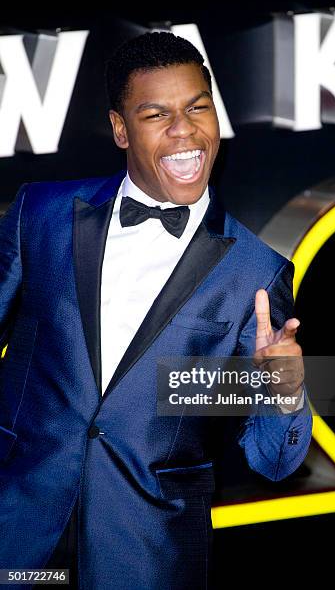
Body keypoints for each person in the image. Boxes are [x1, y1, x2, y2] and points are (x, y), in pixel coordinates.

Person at [0, 31, 312, 590]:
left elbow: (272, 462)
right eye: (156, 114)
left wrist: (281, 391)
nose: (185, 130)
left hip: (145, 560)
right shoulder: (40, 215)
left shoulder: (256, 275)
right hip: (17, 539)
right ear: (120, 129)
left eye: (197, 108)